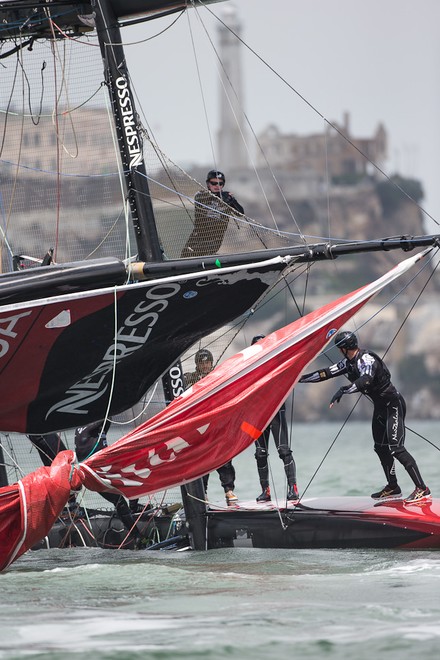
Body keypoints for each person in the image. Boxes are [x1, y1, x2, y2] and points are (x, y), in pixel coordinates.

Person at [298, 330, 431, 504]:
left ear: (345, 348)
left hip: (393, 405)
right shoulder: (348, 363)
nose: (339, 351)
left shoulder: (366, 360)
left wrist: (344, 390)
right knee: (380, 447)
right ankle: (393, 487)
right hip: (380, 408)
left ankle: (422, 488)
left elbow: (366, 380)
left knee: (396, 449)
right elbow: (325, 373)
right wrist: (298, 379)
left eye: (340, 348)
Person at [74, 419, 144, 542]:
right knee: (119, 501)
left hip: (103, 470)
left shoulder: (95, 428)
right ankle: (137, 537)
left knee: (135, 471)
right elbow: (105, 417)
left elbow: (106, 421)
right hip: (96, 473)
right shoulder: (89, 427)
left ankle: (133, 508)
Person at [183, 348, 238, 504]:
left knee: (225, 459)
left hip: (218, 426)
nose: (206, 365)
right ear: (197, 364)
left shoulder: (218, 376)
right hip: (200, 428)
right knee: (202, 462)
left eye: (208, 362)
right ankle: (203, 494)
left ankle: (229, 491)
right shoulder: (189, 379)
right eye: (202, 363)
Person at [250, 335, 299, 503]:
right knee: (260, 453)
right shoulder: (248, 367)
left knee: (284, 451)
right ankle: (265, 491)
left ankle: (293, 488)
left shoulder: (277, 363)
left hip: (276, 412)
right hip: (257, 416)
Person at [181, 169, 244, 258]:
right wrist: (220, 196)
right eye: (213, 183)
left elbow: (240, 214)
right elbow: (200, 198)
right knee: (185, 255)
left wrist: (232, 201)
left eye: (220, 184)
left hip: (215, 238)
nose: (217, 186)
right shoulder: (200, 195)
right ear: (208, 184)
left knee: (198, 254)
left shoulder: (227, 198)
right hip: (198, 236)